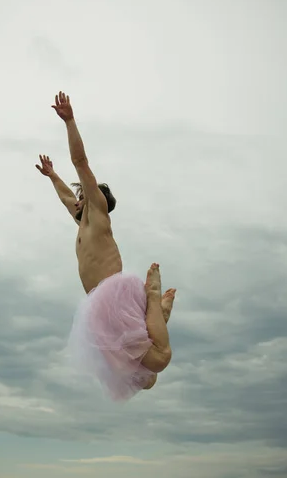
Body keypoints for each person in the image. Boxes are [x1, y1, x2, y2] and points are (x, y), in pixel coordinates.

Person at [35, 91, 176, 400]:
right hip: (96, 304)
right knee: (141, 378)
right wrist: (51, 175)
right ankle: (157, 317)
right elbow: (65, 198)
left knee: (160, 359)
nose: (77, 199)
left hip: (114, 293)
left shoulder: (97, 212)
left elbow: (81, 161)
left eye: (82, 195)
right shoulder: (82, 222)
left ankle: (154, 301)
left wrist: (70, 121)